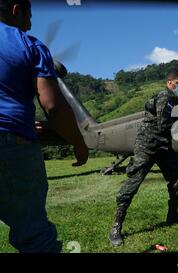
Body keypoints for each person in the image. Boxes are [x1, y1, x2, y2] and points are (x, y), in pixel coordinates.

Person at [0, 0, 89, 252]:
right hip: (11, 147)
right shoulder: (29, 44)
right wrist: (79, 143)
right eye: (29, 15)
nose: (30, 23)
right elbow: (53, 107)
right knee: (34, 236)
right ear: (17, 9)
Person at [109, 68, 178, 246]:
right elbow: (163, 123)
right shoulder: (164, 97)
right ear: (170, 82)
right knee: (132, 185)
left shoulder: (174, 99)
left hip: (162, 146)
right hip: (147, 146)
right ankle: (116, 228)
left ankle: (173, 215)